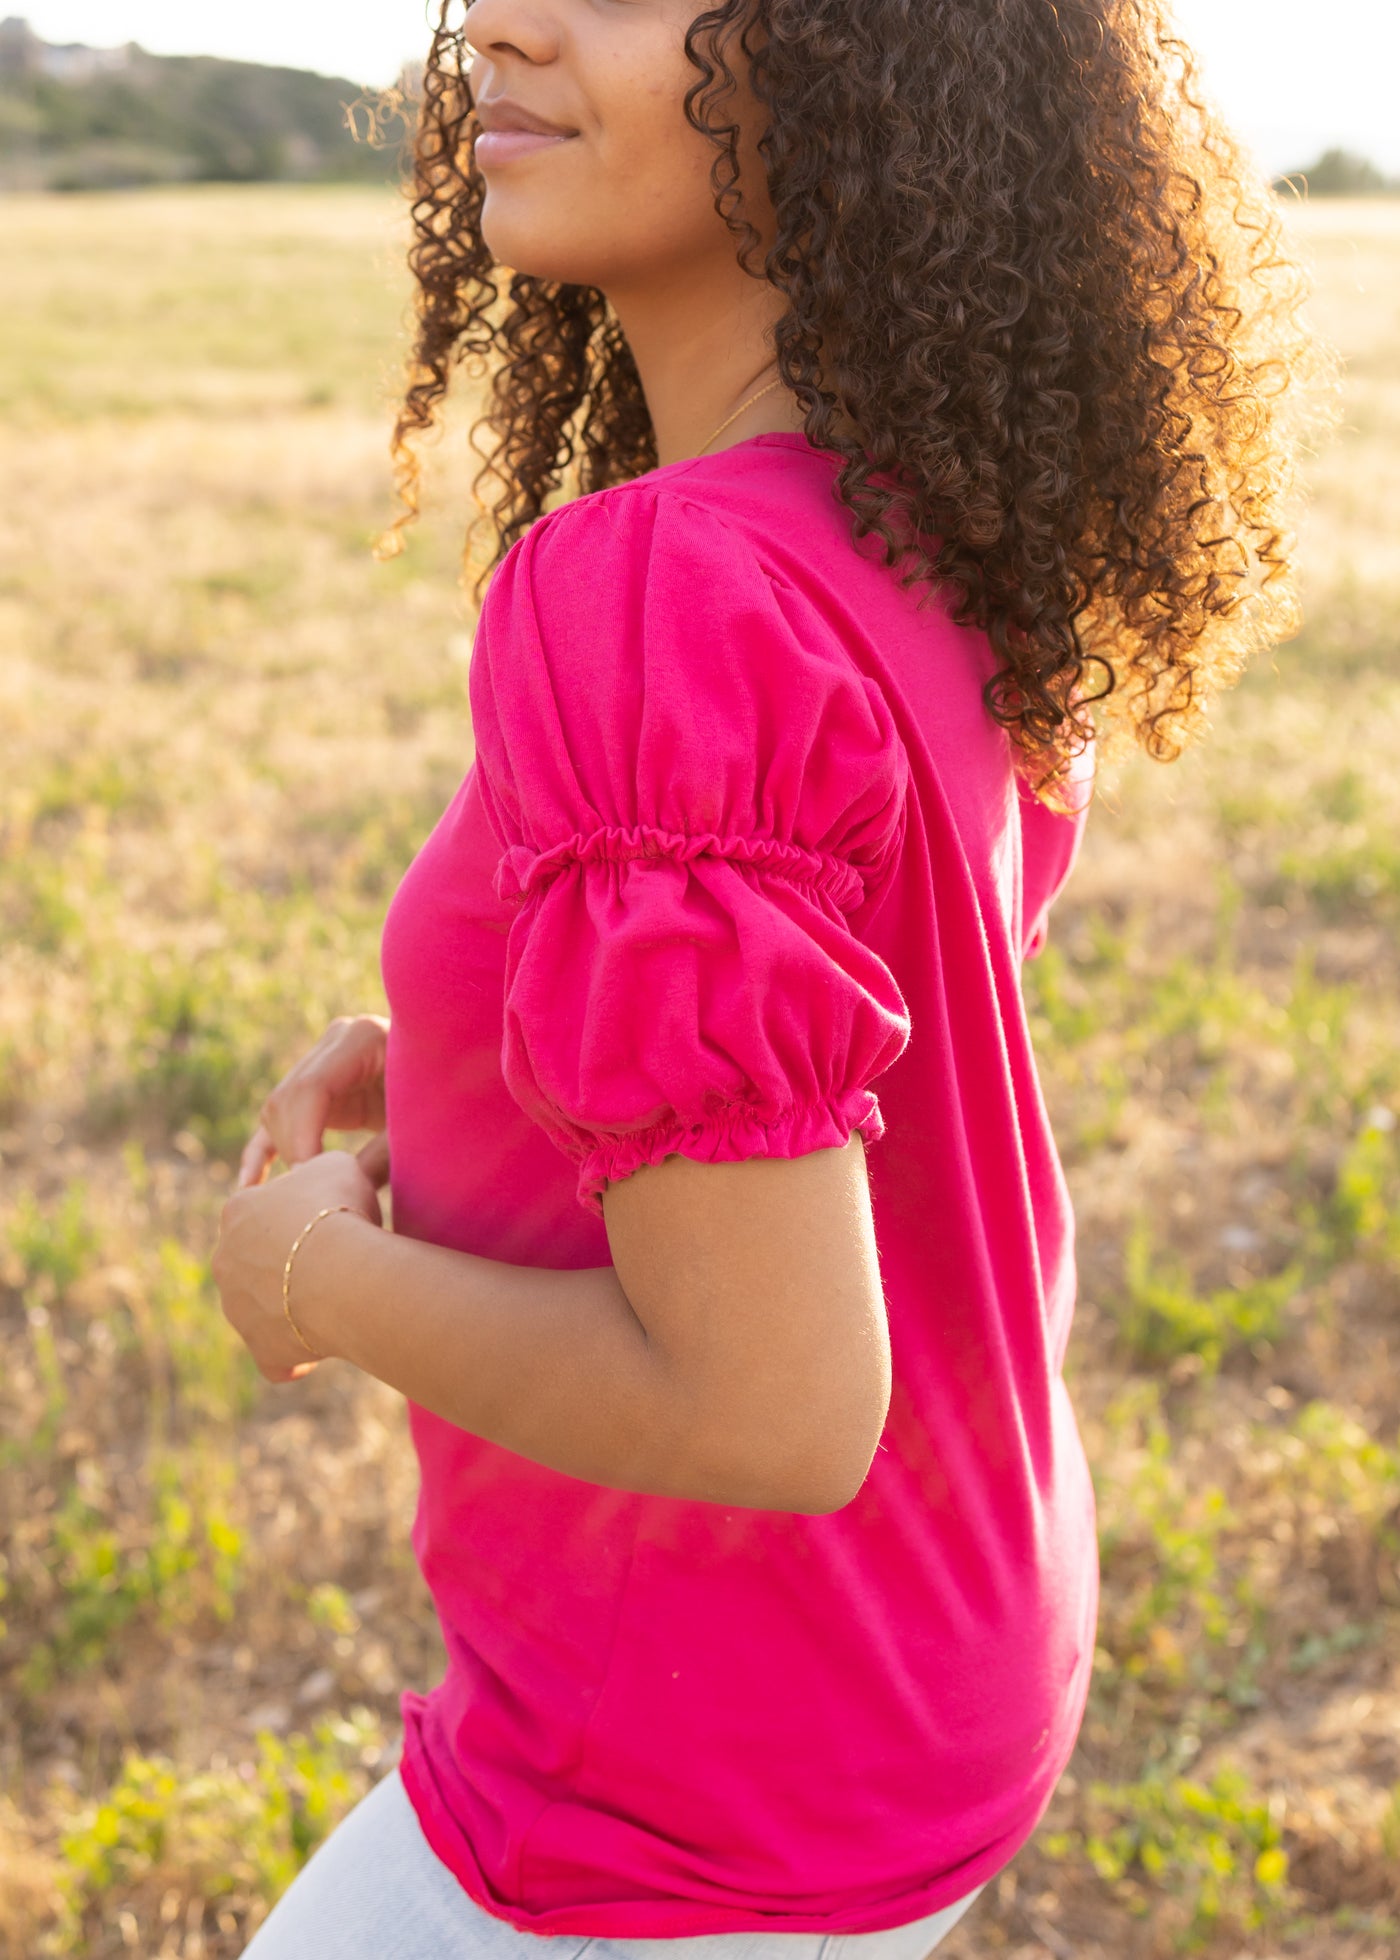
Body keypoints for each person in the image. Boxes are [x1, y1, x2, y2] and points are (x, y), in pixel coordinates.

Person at [212, 0, 1324, 1954]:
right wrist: (484, 1052)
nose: (506, 19)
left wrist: (312, 1275)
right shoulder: (918, 517)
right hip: (947, 1651)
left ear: (870, 64)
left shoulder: (660, 583)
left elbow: (765, 1413)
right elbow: (857, 1036)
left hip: (700, 1779)